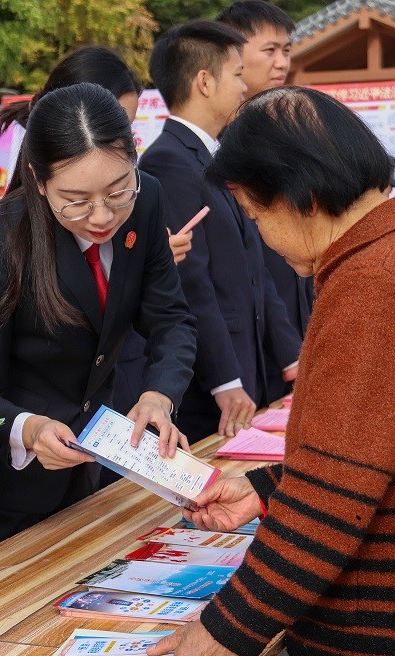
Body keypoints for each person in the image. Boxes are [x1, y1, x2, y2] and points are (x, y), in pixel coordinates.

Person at [148, 86, 395, 656]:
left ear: (302, 196)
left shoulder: (381, 282)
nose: (264, 239)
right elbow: (377, 452)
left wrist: (226, 632)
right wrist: (265, 489)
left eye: (256, 215)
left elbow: (331, 503)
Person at [0, 82, 197, 565]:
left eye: (118, 189)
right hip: (2, 491)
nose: (102, 215)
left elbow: (172, 319)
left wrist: (158, 395)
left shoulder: (146, 202)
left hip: (87, 466)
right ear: (39, 181)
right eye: (75, 200)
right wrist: (29, 429)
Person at [139, 20, 301, 442]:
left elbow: (253, 265)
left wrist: (288, 354)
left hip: (247, 363)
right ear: (205, 82)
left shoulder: (210, 156)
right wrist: (225, 380)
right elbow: (192, 281)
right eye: (236, 75)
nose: (244, 87)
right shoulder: (169, 162)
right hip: (214, 380)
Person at [217, 0, 313, 398]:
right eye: (269, 50)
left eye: (286, 51)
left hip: (297, 312)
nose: (281, 63)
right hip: (251, 341)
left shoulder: (285, 127)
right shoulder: (218, 145)